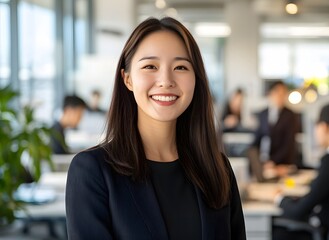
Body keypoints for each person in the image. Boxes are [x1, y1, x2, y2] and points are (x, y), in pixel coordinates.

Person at [65, 17, 246, 240]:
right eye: (151, 66)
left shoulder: (218, 169)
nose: (166, 80)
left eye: (180, 67)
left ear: (196, 79)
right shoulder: (93, 172)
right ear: (128, 79)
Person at [272, 101, 329, 240]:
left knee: (277, 232)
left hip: (325, 231)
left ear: (325, 127)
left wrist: (280, 199)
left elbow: (300, 210)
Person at [251, 80, 299, 176]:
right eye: (277, 93)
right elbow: (256, 139)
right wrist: (255, 159)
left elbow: (288, 144)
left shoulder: (290, 115)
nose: (280, 97)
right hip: (264, 163)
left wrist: (273, 161)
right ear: (270, 93)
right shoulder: (263, 114)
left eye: (283, 94)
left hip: (282, 164)